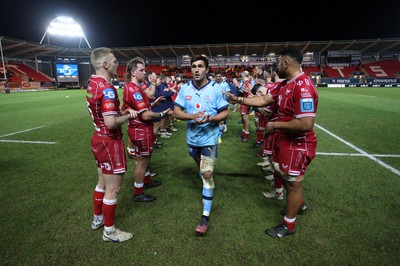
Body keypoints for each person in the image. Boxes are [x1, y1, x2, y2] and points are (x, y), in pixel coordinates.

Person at [225, 46, 318, 238]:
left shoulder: (303, 86)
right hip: (285, 141)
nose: (276, 66)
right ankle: (298, 204)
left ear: (286, 62)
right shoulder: (286, 84)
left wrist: (275, 125)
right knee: (282, 175)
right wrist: (239, 100)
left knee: (292, 184)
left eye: (278, 62)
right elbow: (263, 100)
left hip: (297, 144)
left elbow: (306, 123)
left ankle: (289, 225)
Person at [173, 55, 229, 236]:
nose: (196, 70)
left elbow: (225, 112)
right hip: (192, 139)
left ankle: (205, 217)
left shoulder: (216, 88)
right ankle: (206, 185)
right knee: (200, 168)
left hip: (210, 138)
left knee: (207, 173)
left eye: (200, 66)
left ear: (207, 69)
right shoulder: (185, 88)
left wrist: (211, 118)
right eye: (193, 67)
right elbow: (176, 111)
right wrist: (192, 116)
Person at [86, 47, 137, 243]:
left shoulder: (93, 83)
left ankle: (97, 218)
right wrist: (127, 115)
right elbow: (110, 122)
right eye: (114, 61)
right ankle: (109, 230)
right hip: (109, 140)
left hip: (98, 138)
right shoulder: (107, 89)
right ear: (105, 64)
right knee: (113, 188)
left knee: (101, 182)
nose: (118, 64)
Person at [122, 57, 172, 202]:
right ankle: (138, 192)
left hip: (143, 128)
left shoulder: (137, 87)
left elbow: (144, 107)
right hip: (140, 129)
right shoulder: (132, 89)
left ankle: (147, 180)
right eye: (142, 70)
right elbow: (145, 115)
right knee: (141, 161)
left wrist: (154, 103)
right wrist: (163, 113)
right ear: (133, 72)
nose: (145, 73)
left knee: (146, 158)